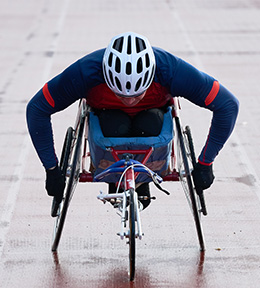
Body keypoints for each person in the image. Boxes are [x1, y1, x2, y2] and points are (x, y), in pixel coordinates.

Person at [26, 31, 239, 209]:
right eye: (121, 94)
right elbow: (36, 109)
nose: (129, 101)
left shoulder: (172, 71)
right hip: (108, 121)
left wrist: (205, 163)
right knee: (114, 123)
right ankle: (114, 174)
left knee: (151, 122)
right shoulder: (85, 72)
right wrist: (52, 169)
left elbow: (228, 105)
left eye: (137, 95)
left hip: (151, 120)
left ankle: (144, 175)